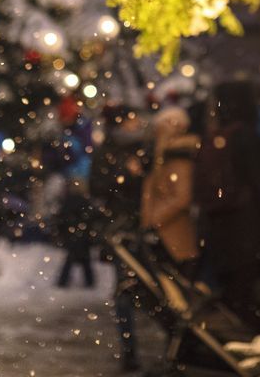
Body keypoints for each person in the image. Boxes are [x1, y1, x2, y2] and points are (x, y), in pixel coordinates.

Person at [194, 81, 260, 329]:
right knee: (250, 296)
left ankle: (236, 349)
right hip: (248, 229)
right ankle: (251, 351)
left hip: (221, 229)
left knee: (233, 294)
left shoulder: (217, 136)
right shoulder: (245, 135)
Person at [90, 105, 149, 372]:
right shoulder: (108, 151)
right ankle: (130, 351)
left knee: (153, 289)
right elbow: (98, 187)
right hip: (122, 229)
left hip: (147, 227)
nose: (136, 123)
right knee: (124, 289)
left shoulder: (146, 147)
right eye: (131, 120)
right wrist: (124, 177)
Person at [139, 106, 199, 277]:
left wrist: (155, 220)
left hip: (173, 233)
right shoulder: (165, 154)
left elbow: (182, 197)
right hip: (167, 232)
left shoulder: (177, 156)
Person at [54, 178, 97, 288]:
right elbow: (90, 219)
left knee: (73, 259)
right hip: (82, 236)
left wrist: (62, 232)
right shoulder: (85, 201)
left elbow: (61, 219)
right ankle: (89, 283)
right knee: (83, 260)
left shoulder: (69, 201)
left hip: (72, 235)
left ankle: (63, 283)